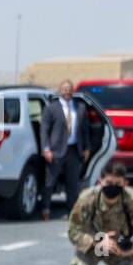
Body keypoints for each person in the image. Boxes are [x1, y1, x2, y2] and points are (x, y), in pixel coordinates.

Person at [40, 79, 94, 219]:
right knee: (49, 182)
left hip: (74, 151)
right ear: (60, 90)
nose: (67, 91)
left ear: (73, 91)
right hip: (55, 151)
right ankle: (46, 209)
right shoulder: (51, 108)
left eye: (69, 89)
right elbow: (44, 130)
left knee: (72, 184)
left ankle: (72, 212)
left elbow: (85, 130)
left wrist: (87, 148)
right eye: (64, 89)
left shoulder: (80, 108)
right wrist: (46, 149)